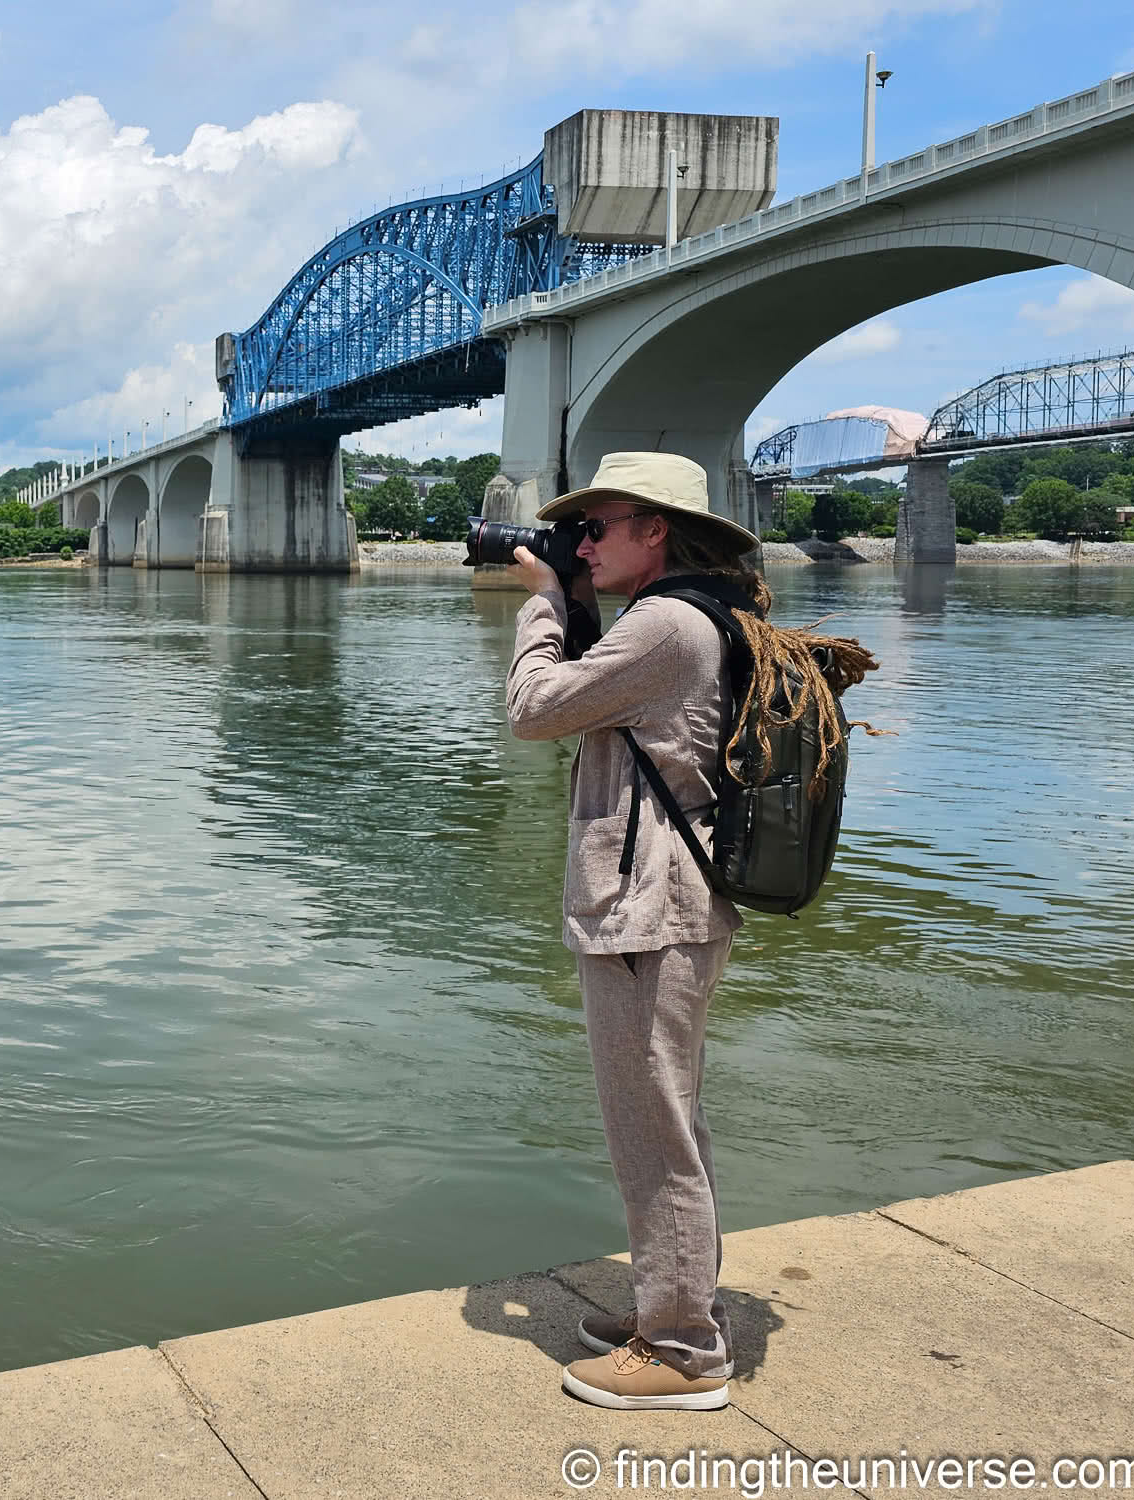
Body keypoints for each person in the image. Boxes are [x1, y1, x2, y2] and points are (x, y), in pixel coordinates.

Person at [504, 451, 766, 1412]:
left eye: (597, 527)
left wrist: (539, 601)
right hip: (674, 901)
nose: (579, 544)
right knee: (670, 1119)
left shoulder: (664, 623)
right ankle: (672, 1301)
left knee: (650, 1131)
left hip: (649, 908)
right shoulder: (701, 611)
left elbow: (535, 709)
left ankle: (684, 1352)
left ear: (656, 529)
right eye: (577, 532)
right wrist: (575, 596)